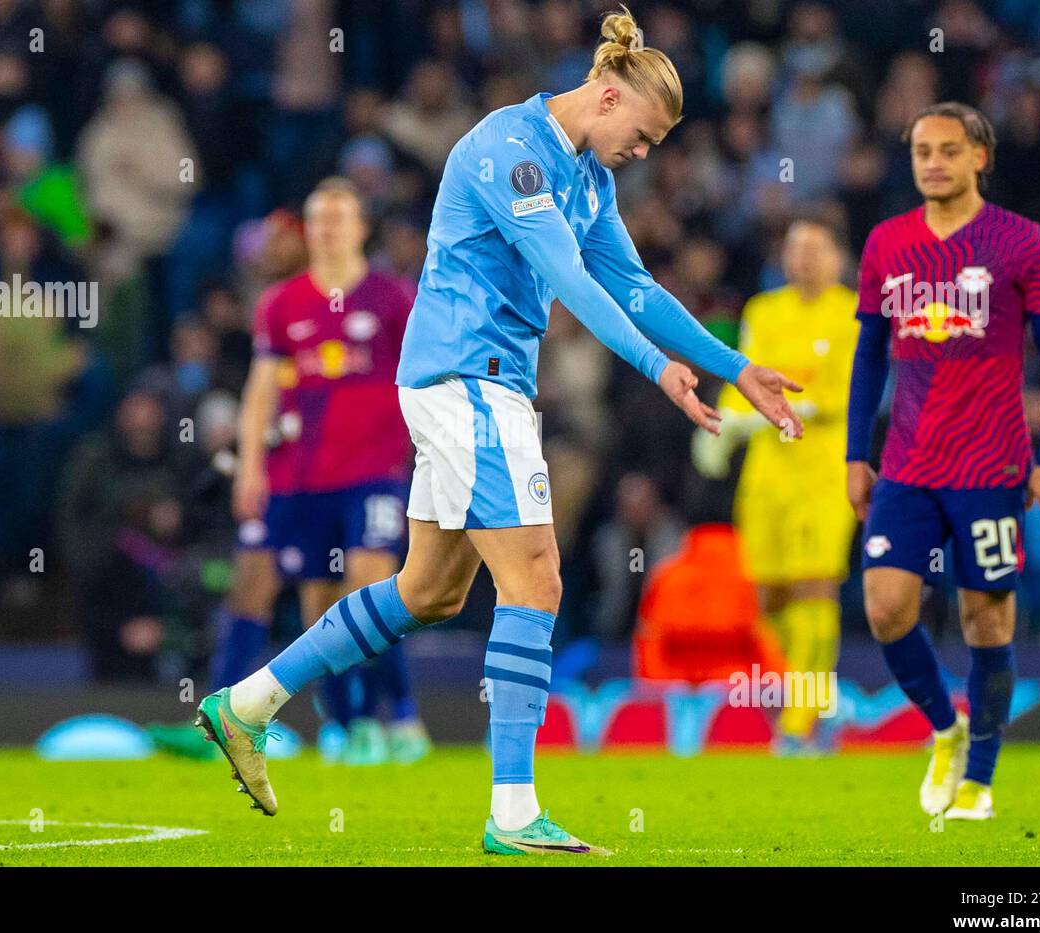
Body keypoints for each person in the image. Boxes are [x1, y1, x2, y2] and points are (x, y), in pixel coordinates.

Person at [196, 6, 802, 855]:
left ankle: (246, 703)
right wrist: (655, 369)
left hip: (480, 385)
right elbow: (570, 281)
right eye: (644, 135)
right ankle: (513, 813)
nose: (644, 153)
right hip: (467, 382)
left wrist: (733, 364)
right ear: (606, 94)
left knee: (428, 593)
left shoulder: (589, 178)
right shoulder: (508, 150)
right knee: (537, 582)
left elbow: (632, 289)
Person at [846, 102, 1040, 821]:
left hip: (991, 464)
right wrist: (858, 453)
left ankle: (979, 779)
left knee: (986, 621)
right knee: (884, 607)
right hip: (908, 463)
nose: (932, 163)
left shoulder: (1022, 243)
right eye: (921, 151)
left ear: (981, 157)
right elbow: (870, 354)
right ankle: (943, 729)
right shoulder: (887, 243)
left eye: (948, 150)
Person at [210, 176, 429, 764]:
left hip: (375, 471)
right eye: (319, 218)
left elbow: (421, 375)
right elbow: (261, 389)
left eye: (341, 217)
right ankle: (349, 722)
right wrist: (250, 465)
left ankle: (402, 713)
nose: (329, 228)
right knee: (319, 608)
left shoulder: (393, 298)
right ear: (308, 230)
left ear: (362, 228)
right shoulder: (281, 304)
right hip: (304, 478)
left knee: (372, 587)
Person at [695, 217, 858, 754]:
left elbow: (845, 393)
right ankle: (814, 694)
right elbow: (745, 379)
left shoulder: (850, 315)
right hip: (767, 476)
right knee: (769, 597)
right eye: (795, 248)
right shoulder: (764, 312)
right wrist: (722, 425)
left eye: (815, 248)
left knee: (815, 584)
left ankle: (800, 720)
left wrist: (792, 407)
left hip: (820, 472)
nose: (804, 259)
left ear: (837, 257)